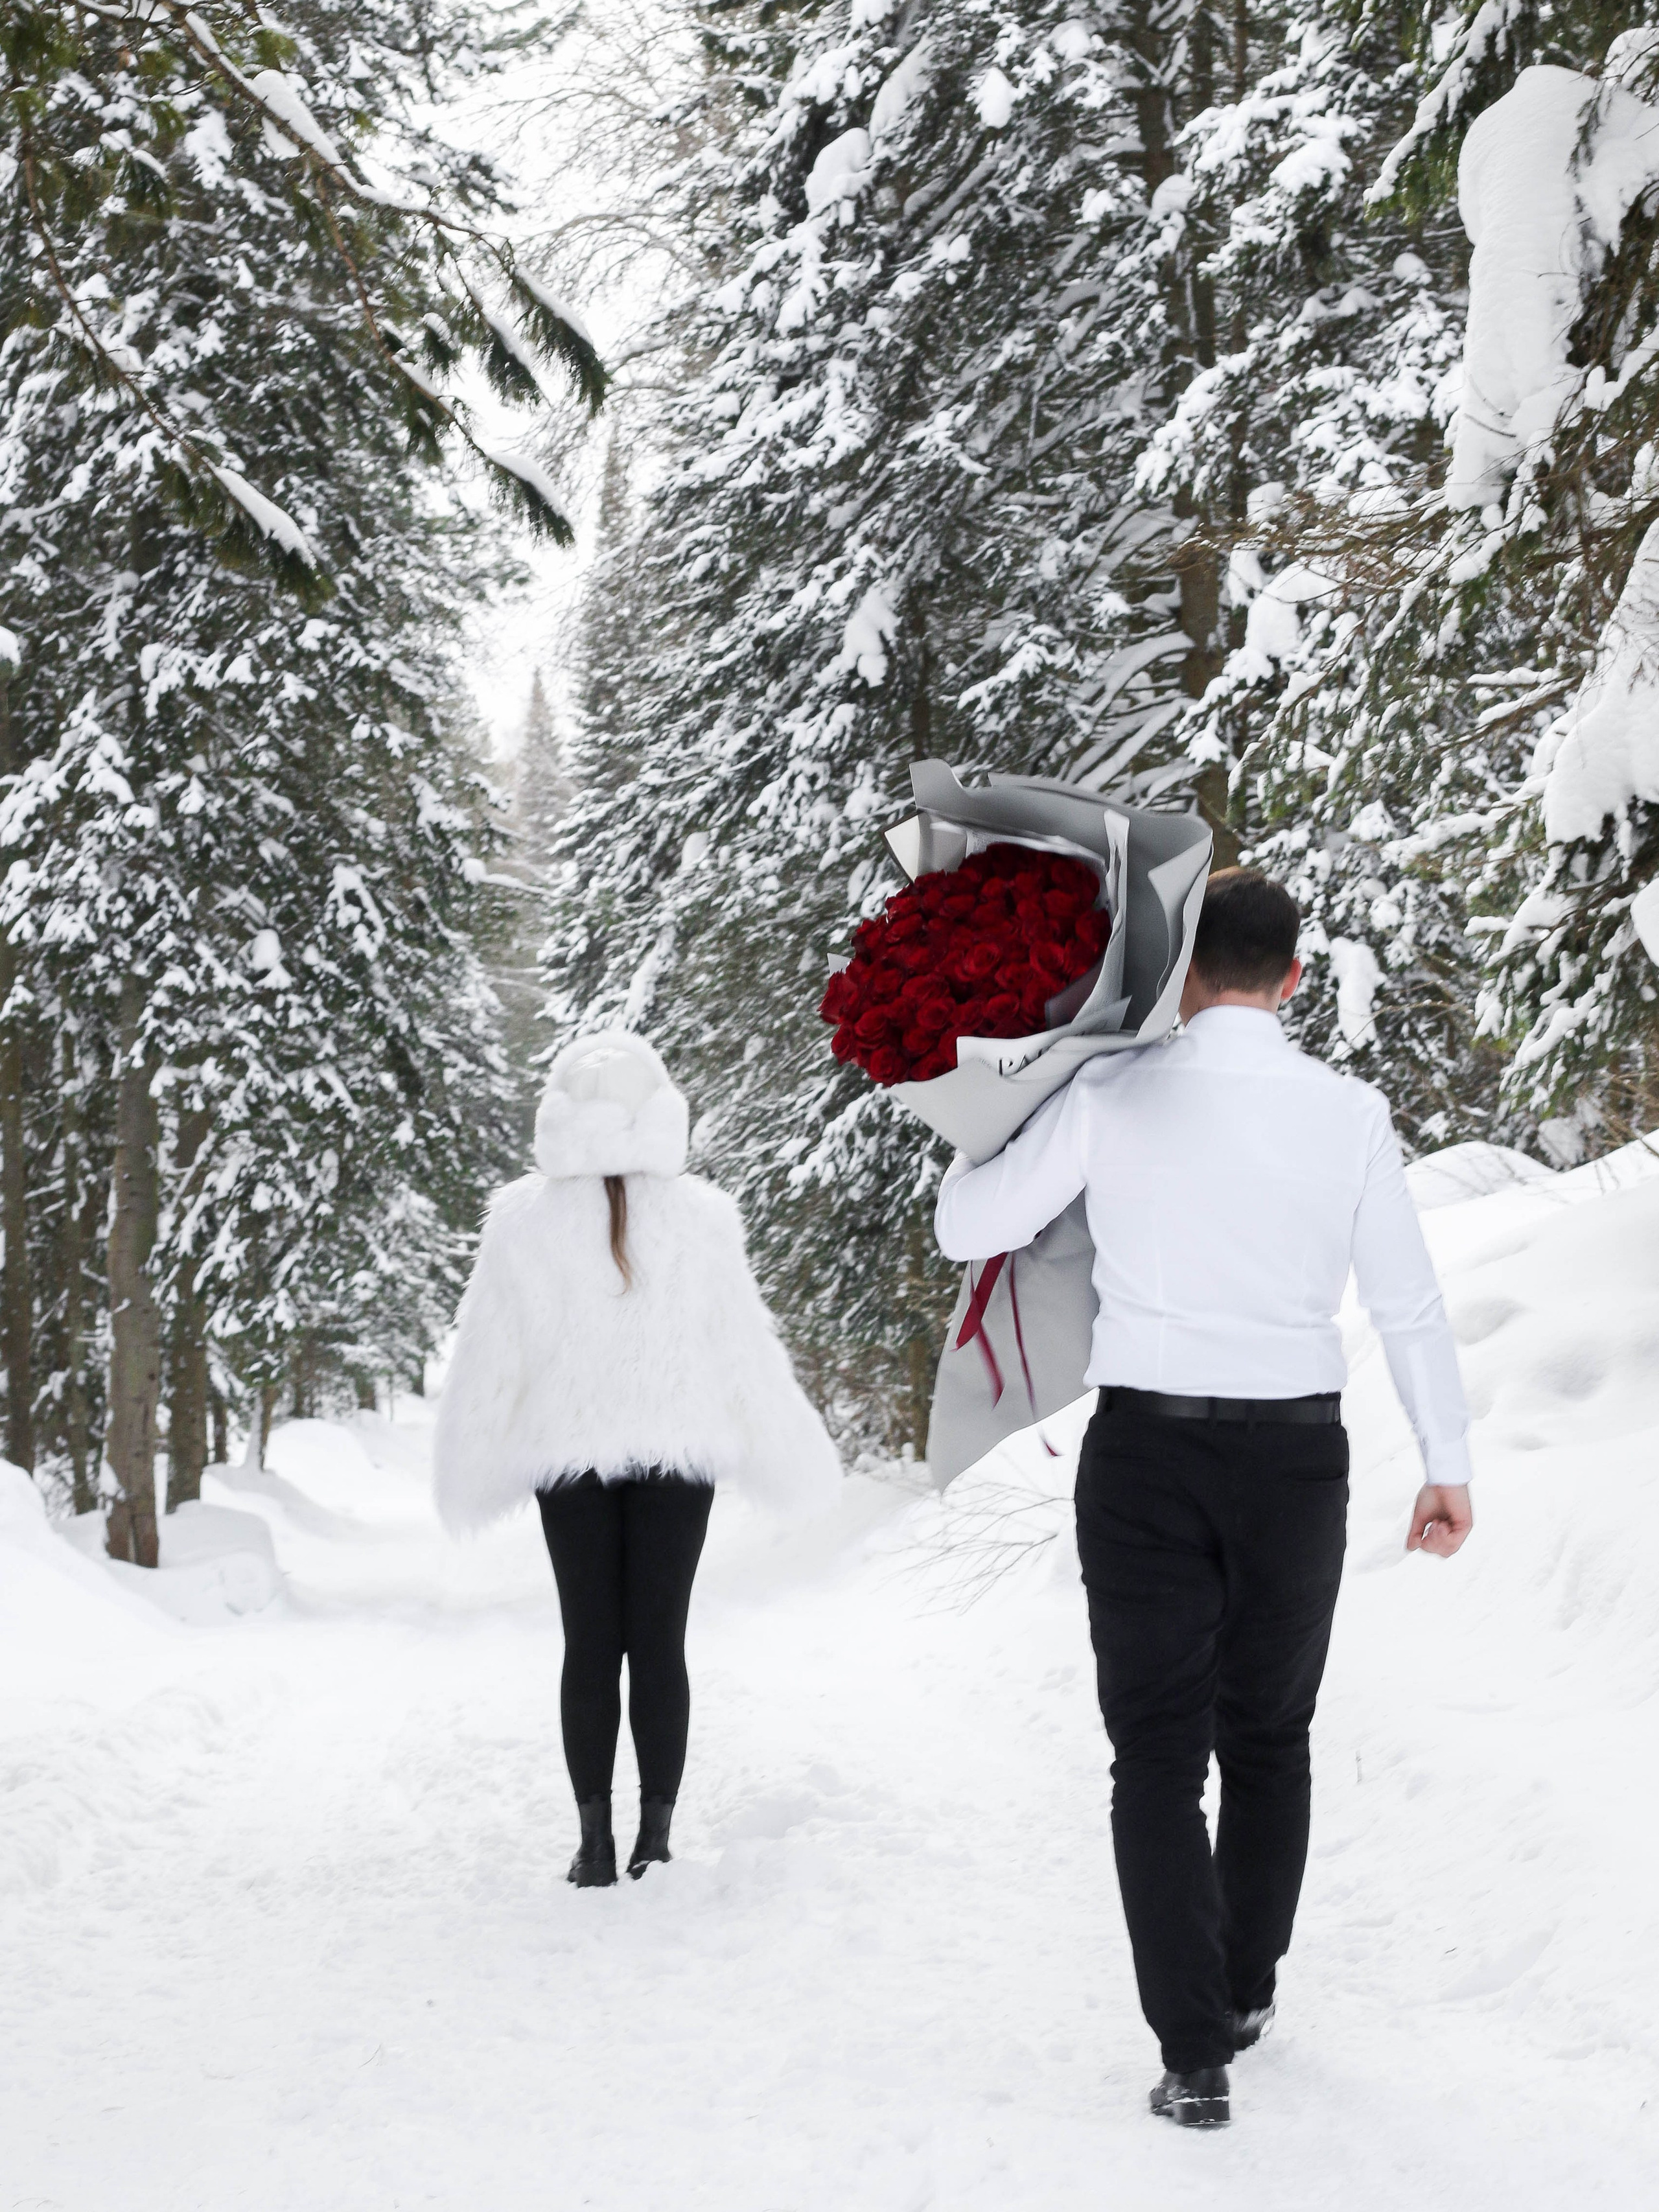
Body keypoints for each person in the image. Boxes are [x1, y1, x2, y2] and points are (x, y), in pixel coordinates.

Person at [934, 869, 1473, 2129]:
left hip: (1146, 1458)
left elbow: (973, 1229)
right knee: (1269, 1739)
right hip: (1295, 1460)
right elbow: (1406, 1301)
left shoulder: (1111, 1095)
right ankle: (1241, 1992)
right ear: (1293, 977)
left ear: (1182, 974)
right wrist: (1444, 1460)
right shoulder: (1347, 1114)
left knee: (1156, 1757)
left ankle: (1192, 2057)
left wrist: (978, 1122)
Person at [434, 1029, 841, 1887]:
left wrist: (468, 1460)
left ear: (561, 1116)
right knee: (659, 1642)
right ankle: (655, 1839)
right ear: (658, 1112)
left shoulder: (521, 1223)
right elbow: (743, 1348)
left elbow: (489, 1355)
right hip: (677, 1454)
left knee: (589, 1645)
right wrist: (790, 1449)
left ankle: (594, 1846)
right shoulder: (704, 1218)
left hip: (568, 1455)